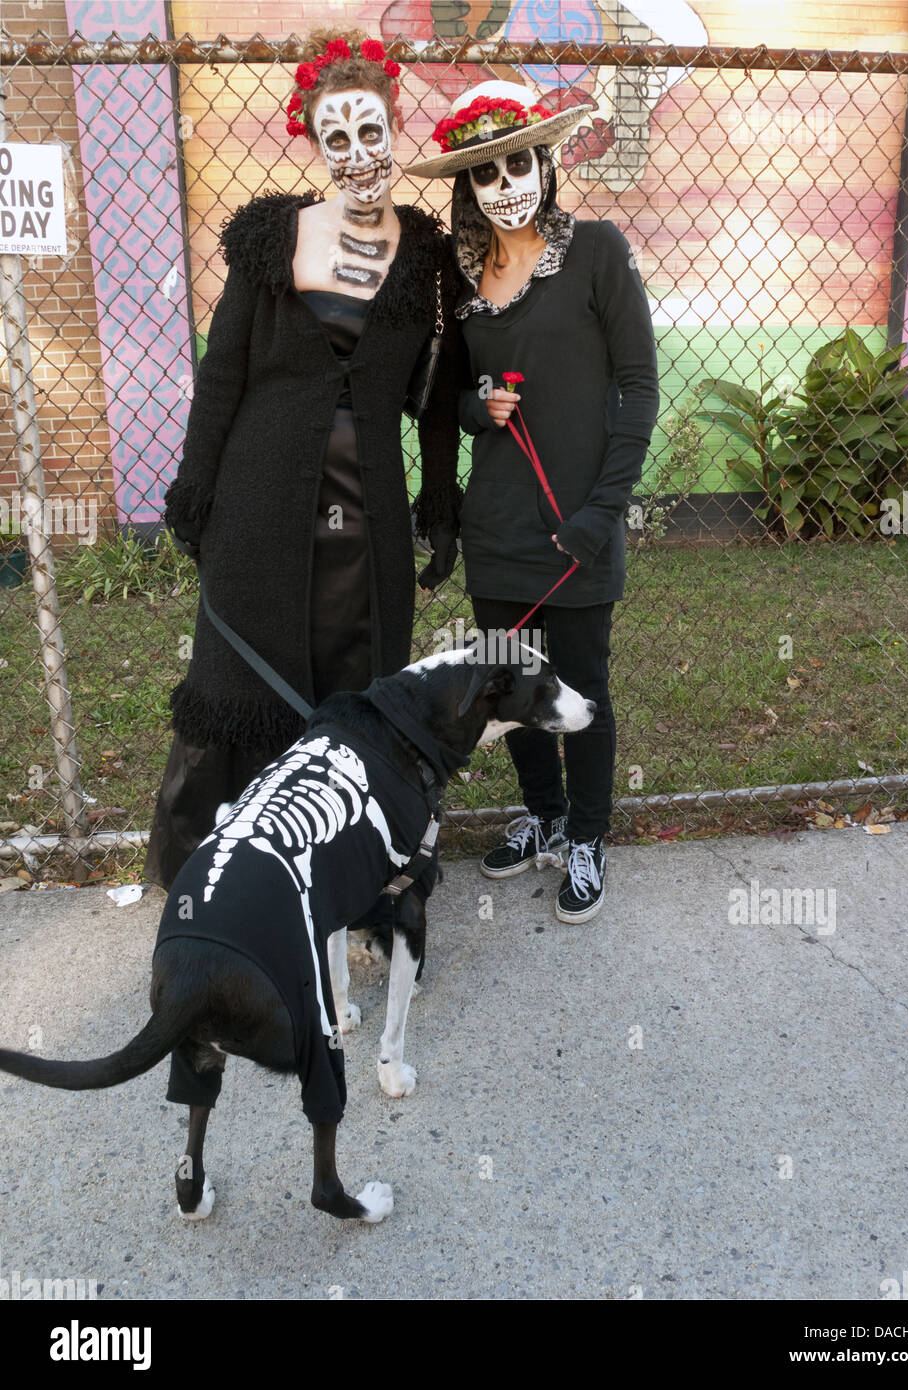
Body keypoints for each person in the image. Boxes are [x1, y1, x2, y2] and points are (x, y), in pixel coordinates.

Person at [144, 30, 462, 896]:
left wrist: (441, 505)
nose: (358, 156)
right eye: (338, 138)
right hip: (261, 497)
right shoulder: (271, 237)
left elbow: (436, 398)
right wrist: (197, 484)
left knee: (361, 675)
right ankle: (224, 877)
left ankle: (352, 874)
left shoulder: (429, 254)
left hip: (371, 514)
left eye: (371, 133)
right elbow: (224, 372)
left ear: (393, 127)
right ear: (314, 144)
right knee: (239, 676)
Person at [407, 80, 659, 924]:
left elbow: (638, 387)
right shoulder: (466, 272)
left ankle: (587, 835)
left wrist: (604, 511)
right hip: (500, 522)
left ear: (544, 163)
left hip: (578, 525)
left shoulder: (595, 250)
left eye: (520, 162)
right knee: (509, 683)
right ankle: (546, 819)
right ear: (467, 187)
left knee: (581, 684)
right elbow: (456, 395)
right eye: (487, 172)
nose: (507, 183)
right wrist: (479, 409)